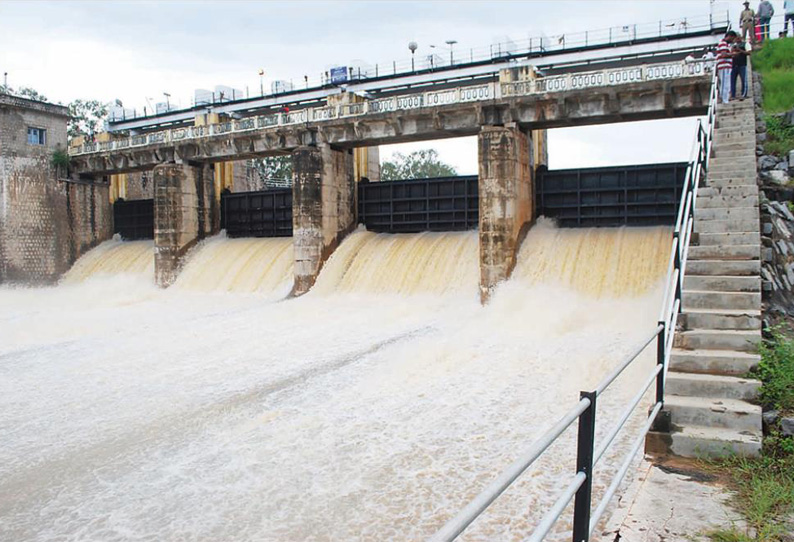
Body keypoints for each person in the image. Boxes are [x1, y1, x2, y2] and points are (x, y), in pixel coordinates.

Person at [716, 31, 736, 104]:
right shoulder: (723, 43)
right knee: (725, 84)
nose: (732, 40)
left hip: (725, 66)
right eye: (732, 38)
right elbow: (723, 55)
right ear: (730, 36)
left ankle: (725, 99)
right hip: (724, 66)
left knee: (726, 84)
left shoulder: (725, 44)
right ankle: (725, 100)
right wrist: (732, 54)